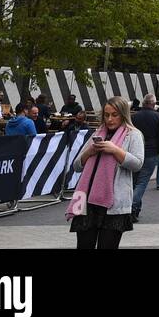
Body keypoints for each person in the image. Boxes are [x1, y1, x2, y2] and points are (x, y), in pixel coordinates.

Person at [67, 97, 145, 249]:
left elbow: (137, 164)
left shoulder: (133, 135)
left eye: (114, 115)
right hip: (86, 201)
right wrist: (89, 151)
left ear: (123, 114)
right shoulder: (98, 133)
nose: (109, 119)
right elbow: (76, 166)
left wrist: (115, 150)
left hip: (114, 204)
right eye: (106, 115)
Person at [130, 93, 159, 222]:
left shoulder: (134, 117)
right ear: (153, 104)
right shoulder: (158, 117)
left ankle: (135, 209)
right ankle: (132, 207)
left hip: (135, 151)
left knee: (134, 181)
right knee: (142, 182)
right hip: (151, 152)